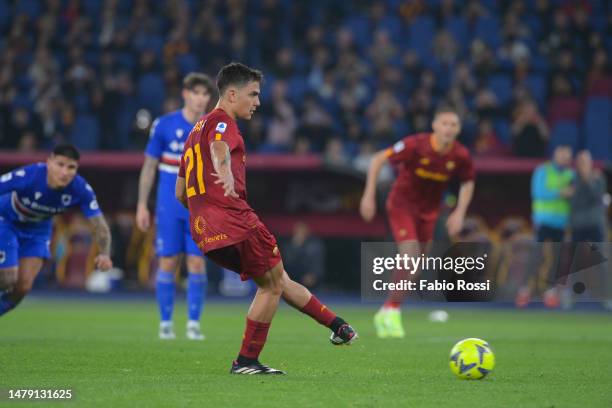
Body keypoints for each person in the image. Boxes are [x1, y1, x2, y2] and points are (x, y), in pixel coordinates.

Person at [175, 62, 357, 375]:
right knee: (271, 286)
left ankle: (337, 326)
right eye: (254, 94)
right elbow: (220, 150)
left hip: (204, 229)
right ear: (232, 94)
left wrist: (206, 208)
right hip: (233, 219)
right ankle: (246, 361)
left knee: (276, 280)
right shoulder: (222, 123)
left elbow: (181, 192)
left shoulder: (195, 131)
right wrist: (223, 173)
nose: (258, 102)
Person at [359, 106, 475, 338]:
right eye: (444, 123)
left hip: (429, 212)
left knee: (416, 265)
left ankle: (386, 310)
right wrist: (369, 195)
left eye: (453, 125)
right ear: (434, 125)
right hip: (402, 205)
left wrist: (460, 212)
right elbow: (378, 159)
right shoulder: (416, 145)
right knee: (410, 255)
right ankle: (392, 312)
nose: (448, 129)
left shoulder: (460, 155)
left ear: (459, 129)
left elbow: (468, 182)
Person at [136, 73, 214, 340]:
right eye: (197, 93)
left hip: (199, 208)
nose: (201, 98)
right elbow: (149, 167)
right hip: (168, 206)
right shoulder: (164, 125)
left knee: (196, 263)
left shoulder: (212, 127)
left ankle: (193, 324)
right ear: (186, 94)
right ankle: (165, 323)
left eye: (205, 94)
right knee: (167, 262)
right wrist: (141, 205)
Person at [0, 144, 113, 316]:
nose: (65, 172)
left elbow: (99, 225)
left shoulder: (80, 189)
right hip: (7, 220)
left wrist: (105, 253)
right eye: (60, 164)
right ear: (49, 163)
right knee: (8, 278)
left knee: (23, 286)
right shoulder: (29, 175)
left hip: (38, 230)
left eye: (71, 167)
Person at [516, 145, 575, 308]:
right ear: (555, 155)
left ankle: (550, 292)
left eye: (567, 156)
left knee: (556, 260)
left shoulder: (571, 174)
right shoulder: (543, 170)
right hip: (543, 221)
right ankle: (524, 290)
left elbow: (576, 195)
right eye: (562, 155)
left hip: (561, 223)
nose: (565, 159)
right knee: (536, 257)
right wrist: (561, 193)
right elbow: (538, 192)